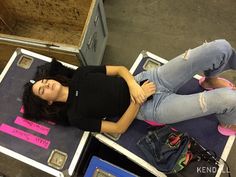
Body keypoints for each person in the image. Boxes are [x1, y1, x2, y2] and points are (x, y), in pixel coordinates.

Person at [22, 39, 236, 135]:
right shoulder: (76, 117)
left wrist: (135, 85)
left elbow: (120, 70)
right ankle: (228, 123)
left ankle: (208, 80)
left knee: (220, 47)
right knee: (228, 99)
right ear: (48, 102)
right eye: (43, 90)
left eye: (43, 81)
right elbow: (118, 128)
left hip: (148, 78)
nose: (47, 84)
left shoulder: (80, 74)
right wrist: (139, 98)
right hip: (149, 108)